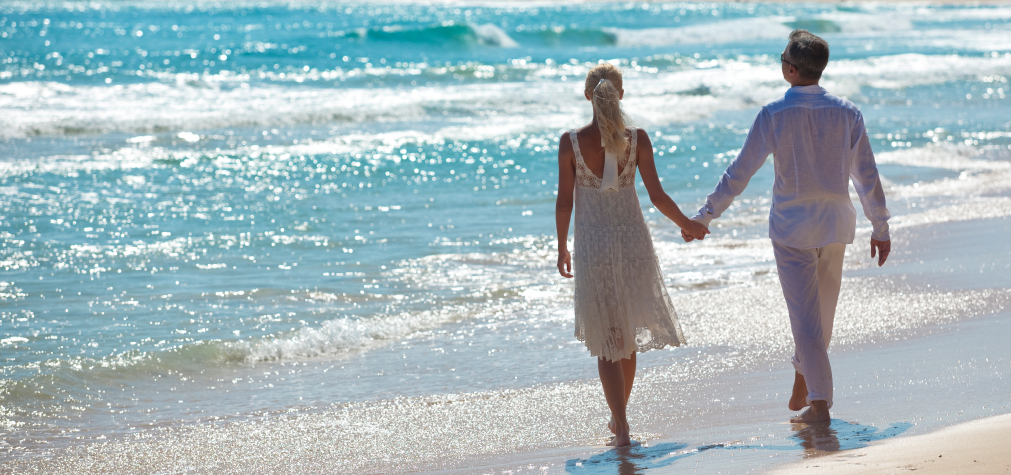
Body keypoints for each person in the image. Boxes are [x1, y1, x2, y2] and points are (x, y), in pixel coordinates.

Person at [685, 30, 892, 423]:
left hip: (793, 229)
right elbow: (866, 175)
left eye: (781, 58)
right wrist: (880, 226)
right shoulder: (847, 111)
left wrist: (706, 215)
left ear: (791, 69)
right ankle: (806, 386)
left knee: (807, 320)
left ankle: (819, 406)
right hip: (834, 226)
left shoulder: (774, 114)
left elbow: (739, 172)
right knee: (821, 318)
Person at [554, 63, 710, 447]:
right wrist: (687, 224)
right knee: (626, 339)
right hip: (632, 243)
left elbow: (564, 201)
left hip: (594, 247)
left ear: (587, 95)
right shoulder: (638, 139)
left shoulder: (570, 142)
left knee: (609, 336)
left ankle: (620, 424)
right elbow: (657, 196)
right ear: (620, 94)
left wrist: (561, 246)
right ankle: (619, 419)